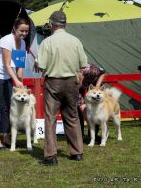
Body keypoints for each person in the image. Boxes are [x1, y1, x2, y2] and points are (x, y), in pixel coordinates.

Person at [34, 10, 88, 165]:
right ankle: (77, 152)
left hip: (53, 83)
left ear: (51, 24)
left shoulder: (46, 42)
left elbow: (41, 65)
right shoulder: (76, 40)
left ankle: (50, 156)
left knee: (50, 119)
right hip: (72, 82)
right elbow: (83, 65)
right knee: (72, 117)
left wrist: (37, 63)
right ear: (65, 24)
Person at [0, 18, 30, 149]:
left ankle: (6, 136)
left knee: (8, 106)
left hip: (8, 76)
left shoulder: (22, 44)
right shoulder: (7, 41)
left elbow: (19, 66)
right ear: (14, 29)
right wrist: (16, 80)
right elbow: (6, 64)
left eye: (26, 31)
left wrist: (20, 81)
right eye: (21, 30)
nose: (24, 33)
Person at [78, 63, 105, 138]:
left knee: (95, 108)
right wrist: (88, 121)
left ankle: (94, 135)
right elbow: (81, 104)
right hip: (78, 89)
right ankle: (80, 135)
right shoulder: (73, 83)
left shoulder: (92, 70)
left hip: (94, 82)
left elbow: (103, 72)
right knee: (79, 110)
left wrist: (97, 87)